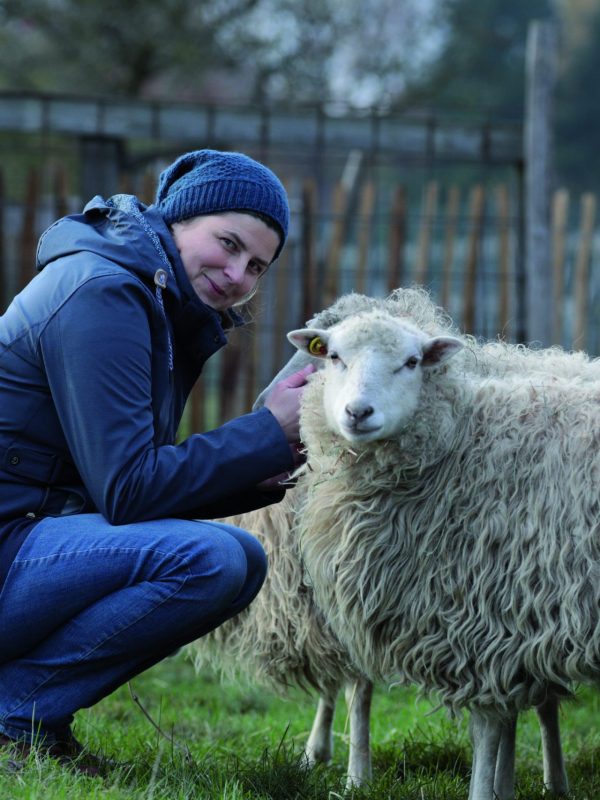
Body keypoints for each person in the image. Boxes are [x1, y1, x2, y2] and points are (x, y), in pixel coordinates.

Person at [0, 148, 314, 774]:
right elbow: (128, 493)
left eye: (257, 265)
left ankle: (22, 713)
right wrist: (264, 431)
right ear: (177, 219)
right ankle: (15, 711)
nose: (236, 273)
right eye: (226, 243)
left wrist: (260, 473)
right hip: (12, 544)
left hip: (27, 541)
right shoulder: (103, 292)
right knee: (221, 559)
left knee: (224, 558)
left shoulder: (151, 298)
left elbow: (127, 484)